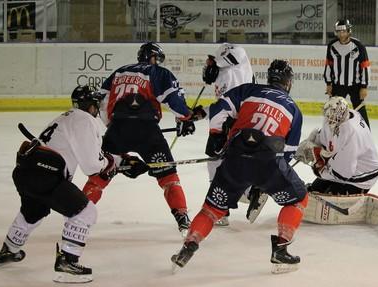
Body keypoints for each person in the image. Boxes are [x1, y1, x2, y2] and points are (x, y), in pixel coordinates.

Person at [171, 60, 308, 274]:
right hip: (269, 163)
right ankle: (280, 251)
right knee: (299, 199)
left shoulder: (248, 90)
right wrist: (264, 183)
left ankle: (186, 249)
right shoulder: (293, 109)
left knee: (211, 210)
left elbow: (217, 110)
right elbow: (288, 153)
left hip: (235, 158)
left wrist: (217, 136)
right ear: (288, 82)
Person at [0, 85, 116, 283]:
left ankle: (10, 249)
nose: (97, 108)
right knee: (85, 212)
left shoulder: (66, 116)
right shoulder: (84, 120)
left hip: (26, 172)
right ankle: (68, 260)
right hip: (46, 174)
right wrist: (109, 163)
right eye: (96, 104)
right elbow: (92, 166)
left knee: (33, 212)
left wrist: (107, 158)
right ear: (90, 105)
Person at [82, 42, 206, 238]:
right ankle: (183, 220)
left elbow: (102, 102)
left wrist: (111, 128)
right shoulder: (158, 72)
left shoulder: (119, 72)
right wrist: (186, 117)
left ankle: (78, 213)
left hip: (117, 129)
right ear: (154, 58)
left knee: (101, 174)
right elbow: (173, 100)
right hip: (148, 132)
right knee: (168, 178)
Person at [202, 42, 267, 226]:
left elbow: (226, 105)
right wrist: (201, 112)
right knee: (225, 163)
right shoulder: (226, 73)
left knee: (217, 163)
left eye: (211, 64)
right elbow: (223, 104)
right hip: (234, 118)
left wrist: (216, 132)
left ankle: (221, 209)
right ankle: (250, 192)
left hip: (235, 122)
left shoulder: (234, 67)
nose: (208, 68)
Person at [296, 96, 378, 195]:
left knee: (326, 198)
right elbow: (327, 140)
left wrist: (321, 171)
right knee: (314, 190)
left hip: (362, 175)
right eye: (329, 117)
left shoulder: (352, 134)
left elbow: (343, 174)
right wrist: (314, 143)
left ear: (343, 116)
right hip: (342, 166)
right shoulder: (335, 118)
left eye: (334, 118)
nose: (330, 121)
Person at [324, 18, 371, 127]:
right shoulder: (332, 46)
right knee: (335, 110)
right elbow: (328, 65)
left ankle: (366, 133)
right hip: (338, 84)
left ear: (349, 31)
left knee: (360, 109)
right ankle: (332, 134)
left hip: (356, 85)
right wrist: (328, 83)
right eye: (339, 31)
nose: (341, 34)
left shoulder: (358, 46)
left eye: (343, 31)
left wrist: (364, 86)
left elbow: (365, 66)